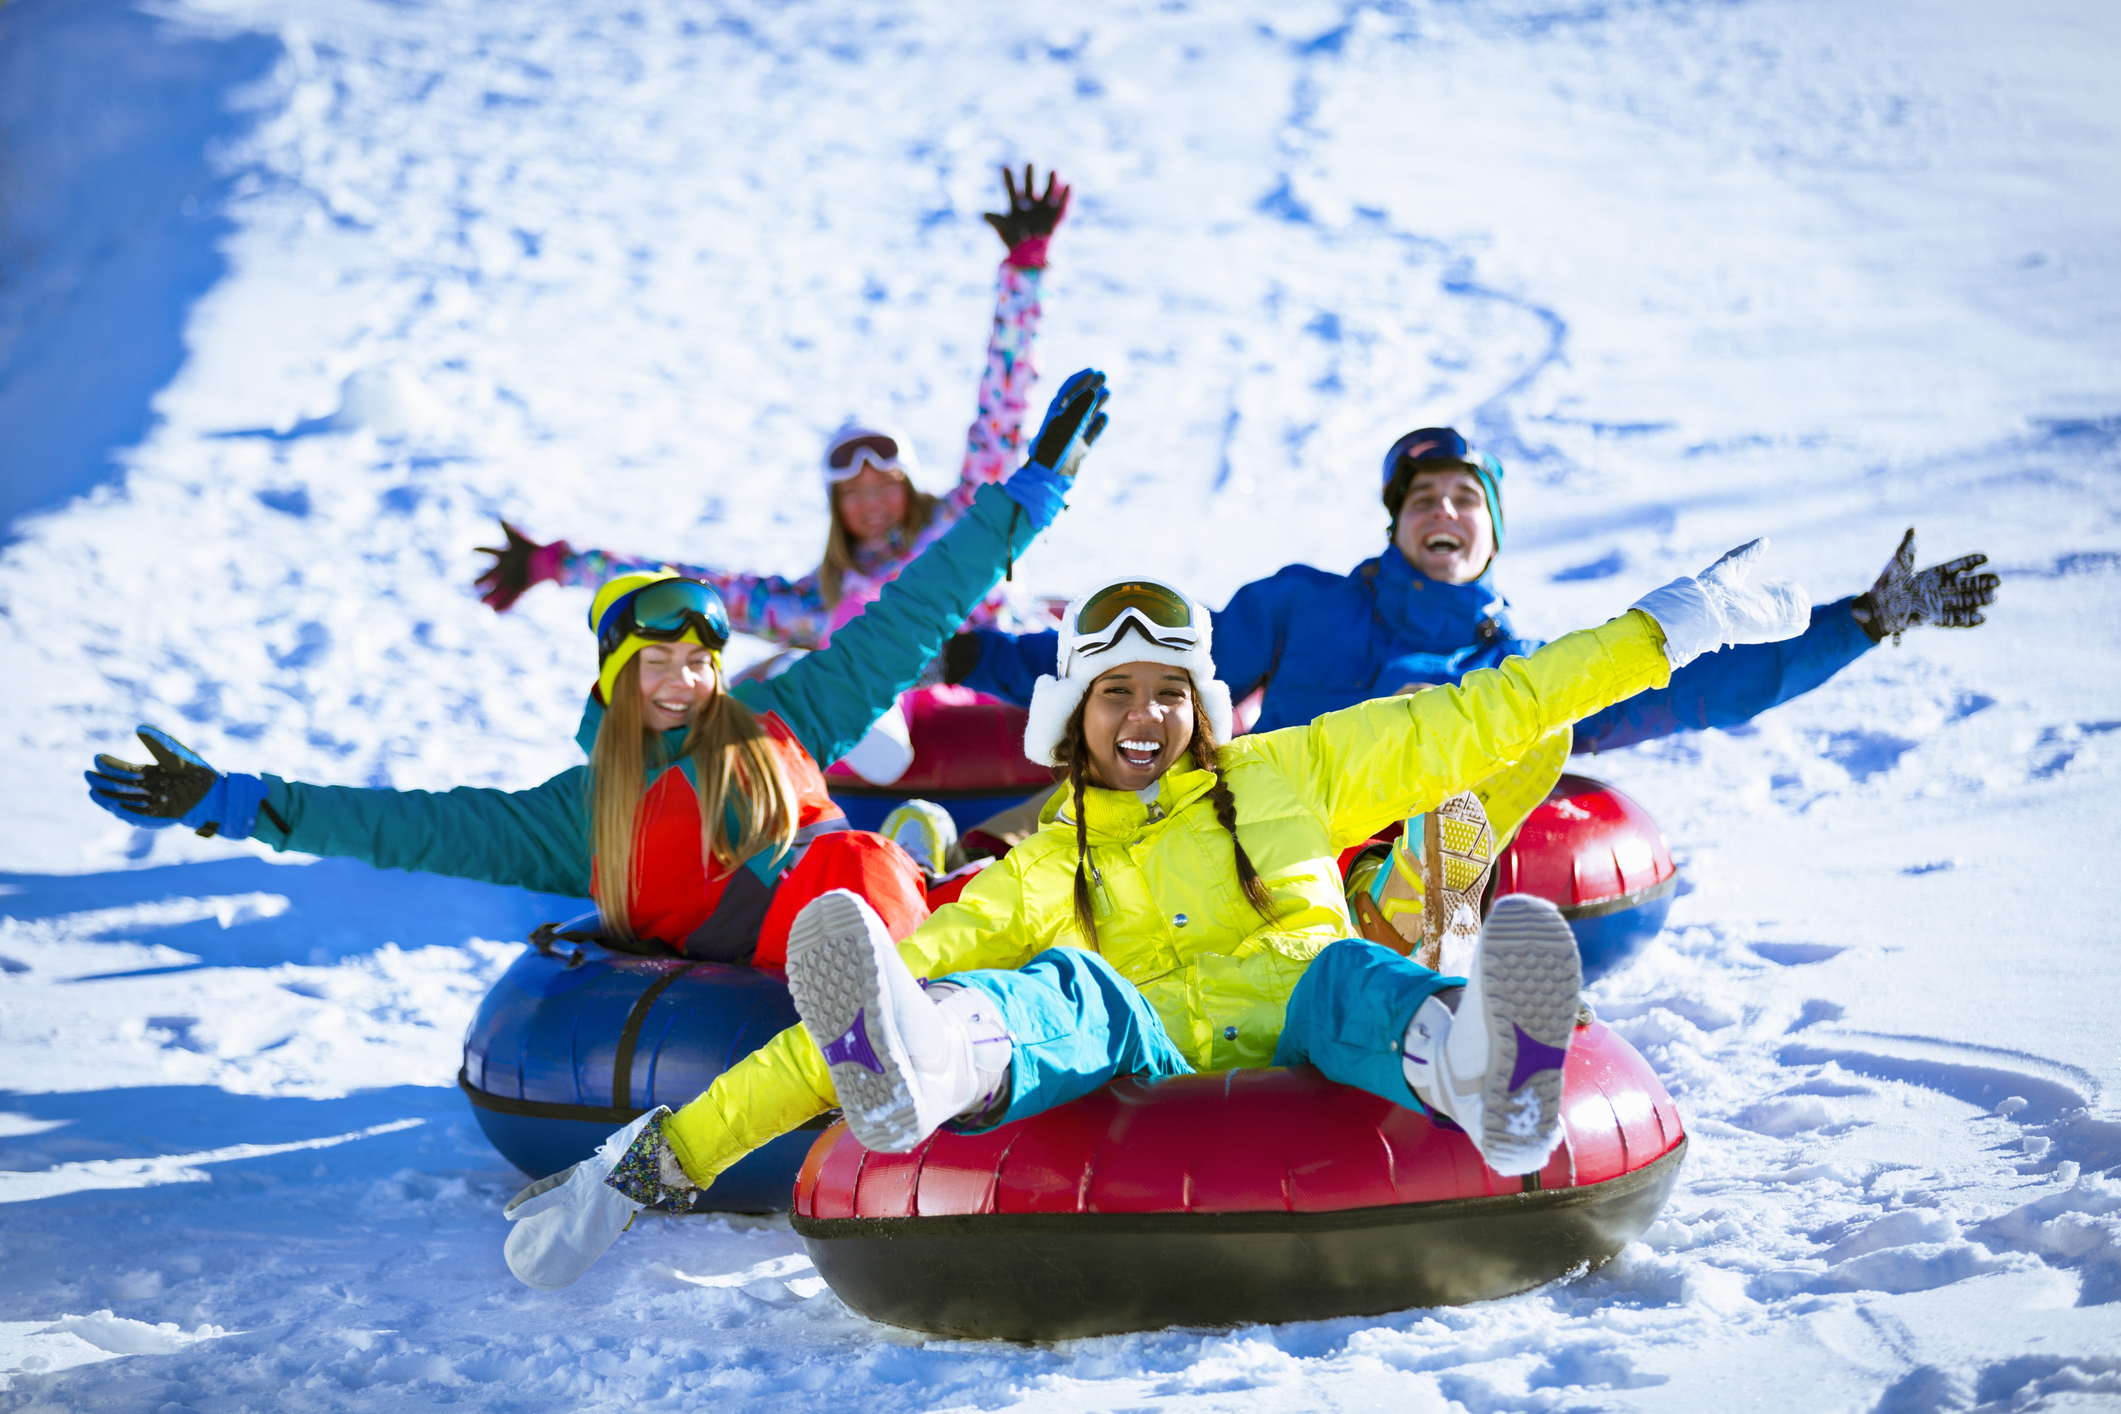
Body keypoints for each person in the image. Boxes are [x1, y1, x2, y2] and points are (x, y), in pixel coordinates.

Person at [496, 542, 1811, 1290]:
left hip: (1301, 994)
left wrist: (1667, 624)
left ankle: (1485, 1071)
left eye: (1167, 691)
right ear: (1076, 718)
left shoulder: (1291, 768)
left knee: (1359, 981)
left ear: (1200, 702)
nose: (1145, 718)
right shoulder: (1048, 858)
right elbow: (894, 968)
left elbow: (1493, 709)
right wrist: (650, 1160)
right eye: (1115, 695)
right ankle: (923, 1071)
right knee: (1034, 997)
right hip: (1141, 1031)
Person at [82, 373, 1113, 965]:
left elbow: (911, 613)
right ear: (615, 682)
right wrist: (243, 803)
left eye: (697, 661)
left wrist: (1027, 497)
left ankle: (956, 899)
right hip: (799, 949)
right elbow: (411, 825)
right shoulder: (584, 813)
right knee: (854, 874)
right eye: (653, 664)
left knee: (914, 868)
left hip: (877, 908)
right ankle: (899, 949)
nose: (680, 682)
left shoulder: (785, 715)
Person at [945, 427, 2000, 846]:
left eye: (1465, 500)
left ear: (1491, 538)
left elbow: (1704, 689)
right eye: (1425, 499)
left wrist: (1861, 622)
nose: (1444, 512)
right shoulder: (1306, 601)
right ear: (1397, 521)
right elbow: (1156, 673)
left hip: (1368, 855)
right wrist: (968, 654)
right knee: (1080, 817)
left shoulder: (1511, 673)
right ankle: (937, 874)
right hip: (1249, 805)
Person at [470, 164, 1074, 651]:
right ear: (836, 509)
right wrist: (558, 563)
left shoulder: (965, 520)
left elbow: (1002, 408)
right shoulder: (821, 605)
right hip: (906, 742)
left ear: (908, 485)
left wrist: (1024, 272)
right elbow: (694, 587)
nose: (871, 504)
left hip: (998, 691)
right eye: (854, 494)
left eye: (883, 485)